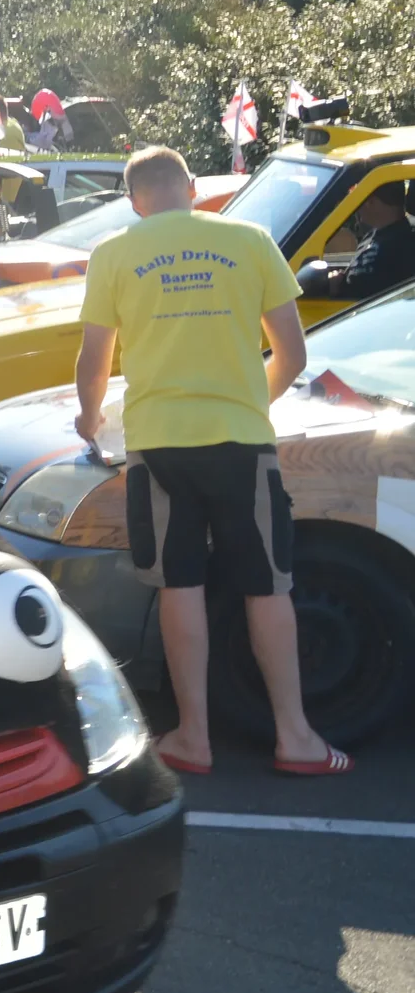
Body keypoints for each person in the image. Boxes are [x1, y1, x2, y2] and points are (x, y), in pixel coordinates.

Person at [73, 146, 342, 776]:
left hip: (158, 443)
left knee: (180, 582)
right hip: (241, 441)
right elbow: (293, 354)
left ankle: (193, 736)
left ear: (134, 198)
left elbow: (94, 359)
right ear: (192, 188)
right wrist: (251, 402)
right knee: (267, 584)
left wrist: (89, 420)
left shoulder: (114, 254)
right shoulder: (250, 240)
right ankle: (296, 737)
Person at [297, 179, 415, 302]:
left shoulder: (402, 245)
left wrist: (335, 286)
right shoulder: (376, 234)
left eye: (359, 199)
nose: (357, 208)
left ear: (371, 201)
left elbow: (371, 294)